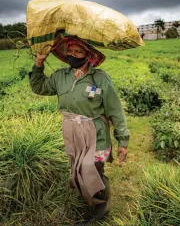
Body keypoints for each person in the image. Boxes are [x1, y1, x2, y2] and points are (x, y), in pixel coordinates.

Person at [28, 37, 130, 218]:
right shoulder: (61, 76)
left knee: (91, 169)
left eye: (78, 52)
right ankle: (85, 204)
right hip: (72, 131)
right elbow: (39, 87)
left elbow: (115, 109)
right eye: (70, 51)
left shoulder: (99, 78)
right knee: (77, 171)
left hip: (95, 131)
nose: (73, 55)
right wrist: (39, 63)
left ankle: (102, 207)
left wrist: (123, 140)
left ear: (88, 55)